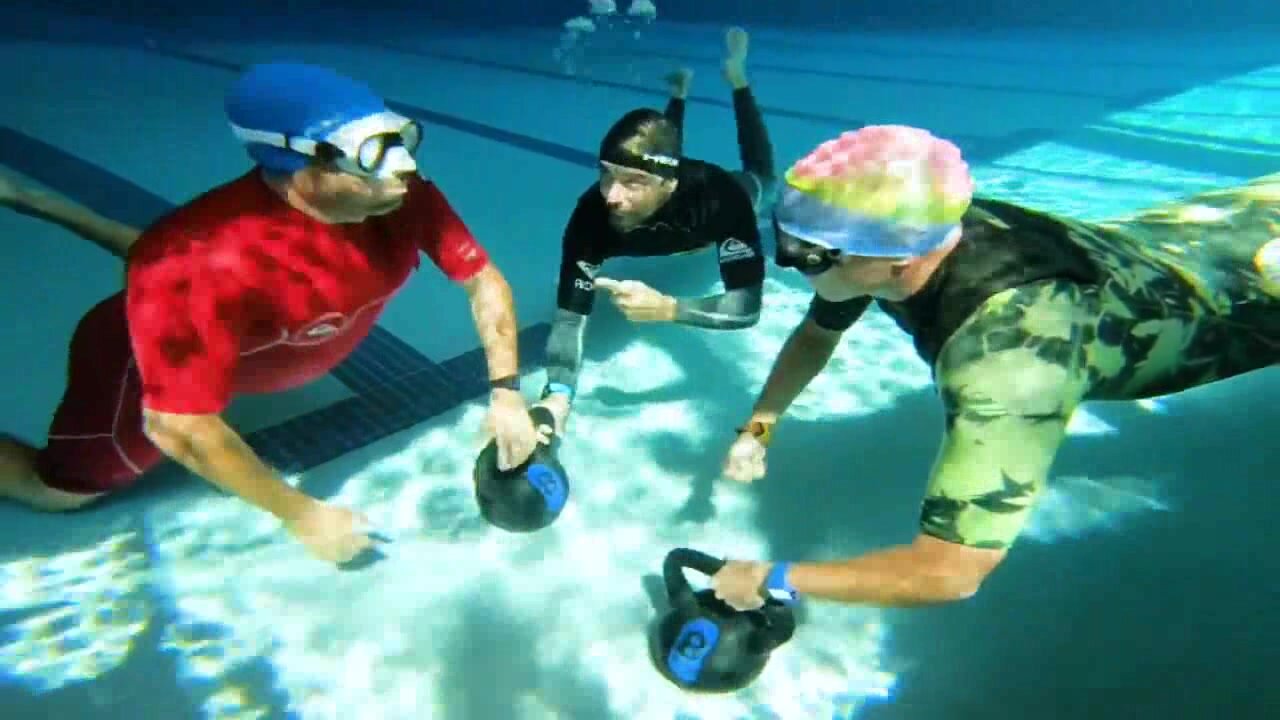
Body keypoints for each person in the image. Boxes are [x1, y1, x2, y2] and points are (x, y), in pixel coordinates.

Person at [707, 124, 1280, 610]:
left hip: (1248, 303)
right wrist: (758, 430)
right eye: (784, 237)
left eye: (807, 253)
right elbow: (814, 337)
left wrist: (770, 578)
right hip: (1218, 224)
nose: (785, 262)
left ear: (898, 259)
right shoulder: (914, 223)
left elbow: (949, 572)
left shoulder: (1005, 361)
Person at [0, 62, 543, 565]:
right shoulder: (189, 263)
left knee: (206, 278)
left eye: (398, 140)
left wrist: (506, 392)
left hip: (219, 302)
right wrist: (302, 514)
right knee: (57, 493)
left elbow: (484, 283)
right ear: (293, 166)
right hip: (132, 361)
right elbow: (177, 426)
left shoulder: (399, 195)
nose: (403, 168)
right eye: (370, 152)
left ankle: (40, 201)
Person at [536, 26, 776, 429]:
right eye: (606, 174)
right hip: (677, 197)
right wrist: (557, 394)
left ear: (669, 182)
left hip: (716, 198)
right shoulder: (591, 215)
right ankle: (680, 93)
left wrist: (669, 308)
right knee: (658, 143)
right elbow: (568, 321)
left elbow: (745, 307)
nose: (612, 195)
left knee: (765, 178)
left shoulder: (719, 199)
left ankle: (738, 82)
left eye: (633, 182)